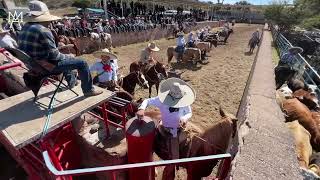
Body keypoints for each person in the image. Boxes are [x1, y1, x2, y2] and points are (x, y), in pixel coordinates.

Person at [18, 0, 102, 97]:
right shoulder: (43, 30)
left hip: (33, 65)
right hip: (47, 66)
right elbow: (55, 56)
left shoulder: (24, 28)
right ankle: (88, 90)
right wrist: (69, 55)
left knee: (67, 60)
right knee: (82, 63)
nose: (50, 21)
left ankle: (72, 82)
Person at [136, 77, 195, 180]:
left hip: (182, 126)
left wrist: (184, 118)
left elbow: (189, 112)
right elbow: (147, 101)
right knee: (174, 158)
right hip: (169, 130)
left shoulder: (183, 100)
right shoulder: (161, 100)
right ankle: (168, 173)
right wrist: (141, 109)